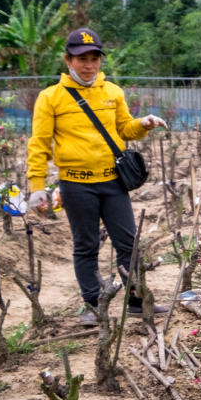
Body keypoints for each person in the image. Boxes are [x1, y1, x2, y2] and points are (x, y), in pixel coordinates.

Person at [27, 28, 169, 326]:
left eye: (94, 58)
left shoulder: (113, 92)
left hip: (112, 181)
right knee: (86, 245)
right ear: (68, 60)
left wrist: (143, 123)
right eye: (81, 58)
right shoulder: (50, 97)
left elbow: (124, 130)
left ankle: (135, 299)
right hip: (76, 183)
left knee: (128, 243)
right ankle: (92, 305)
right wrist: (37, 186)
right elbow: (39, 143)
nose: (89, 64)